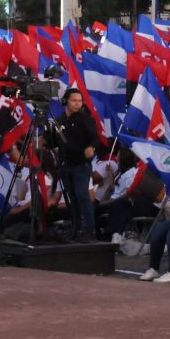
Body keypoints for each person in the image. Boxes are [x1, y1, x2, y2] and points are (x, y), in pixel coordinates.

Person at [55, 88, 100, 241]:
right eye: (74, 100)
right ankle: (76, 228)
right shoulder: (59, 120)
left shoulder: (84, 118)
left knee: (82, 195)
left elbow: (96, 138)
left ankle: (90, 230)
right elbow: (54, 140)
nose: (77, 104)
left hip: (81, 164)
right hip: (65, 164)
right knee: (72, 198)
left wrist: (91, 147)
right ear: (66, 101)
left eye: (80, 101)